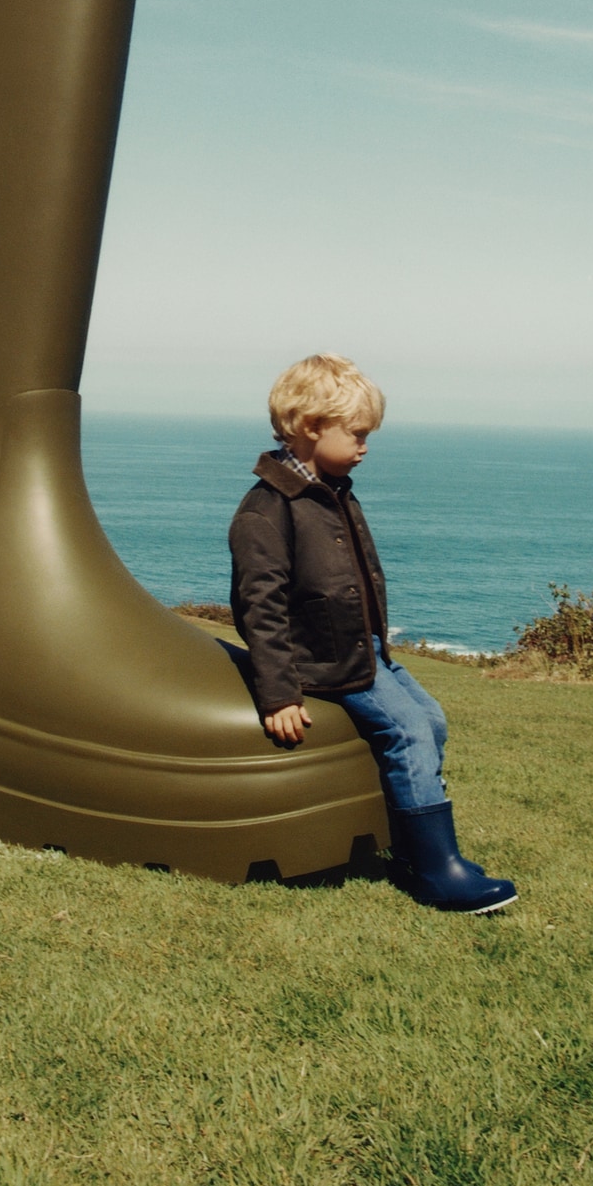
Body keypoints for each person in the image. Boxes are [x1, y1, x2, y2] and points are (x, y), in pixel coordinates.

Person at [228, 353, 517, 914]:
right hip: (328, 661)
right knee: (408, 729)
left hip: (366, 650)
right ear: (311, 428)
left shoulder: (332, 489)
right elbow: (258, 607)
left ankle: (412, 846)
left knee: (430, 718)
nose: (365, 446)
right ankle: (437, 870)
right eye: (357, 434)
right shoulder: (267, 511)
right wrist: (280, 693)